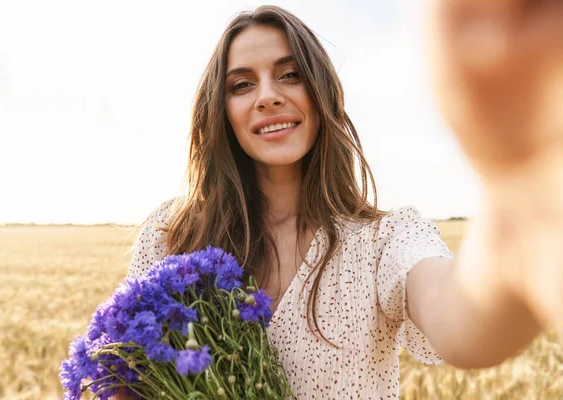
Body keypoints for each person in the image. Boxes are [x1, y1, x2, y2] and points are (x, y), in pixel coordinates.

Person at [115, 1, 563, 398]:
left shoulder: (385, 240)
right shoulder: (173, 237)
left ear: (320, 91)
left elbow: (460, 325)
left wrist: (523, 204)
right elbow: (127, 376)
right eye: (242, 85)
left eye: (289, 75)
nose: (269, 96)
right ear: (220, 110)